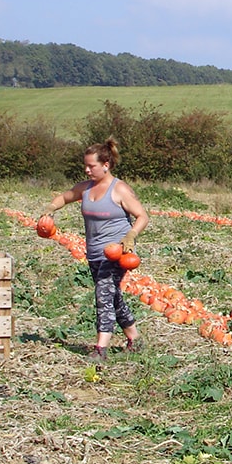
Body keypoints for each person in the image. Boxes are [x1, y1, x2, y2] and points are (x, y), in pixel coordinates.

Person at [38, 139, 150, 361]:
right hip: (95, 252)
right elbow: (65, 196)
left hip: (117, 253)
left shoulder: (119, 189)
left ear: (106, 164)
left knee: (103, 295)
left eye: (92, 166)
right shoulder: (85, 188)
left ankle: (101, 349)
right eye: (86, 166)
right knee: (112, 296)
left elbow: (142, 216)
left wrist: (130, 235)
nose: (87, 170)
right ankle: (135, 339)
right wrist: (50, 209)